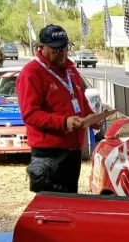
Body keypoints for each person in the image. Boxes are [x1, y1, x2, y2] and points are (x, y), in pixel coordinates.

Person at [16, 25, 93, 194]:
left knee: (70, 199)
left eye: (65, 47)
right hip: (49, 153)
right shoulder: (32, 73)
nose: (62, 53)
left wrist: (91, 117)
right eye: (56, 49)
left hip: (73, 149)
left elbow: (79, 99)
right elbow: (30, 114)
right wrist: (64, 122)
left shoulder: (71, 69)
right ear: (41, 48)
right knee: (52, 208)